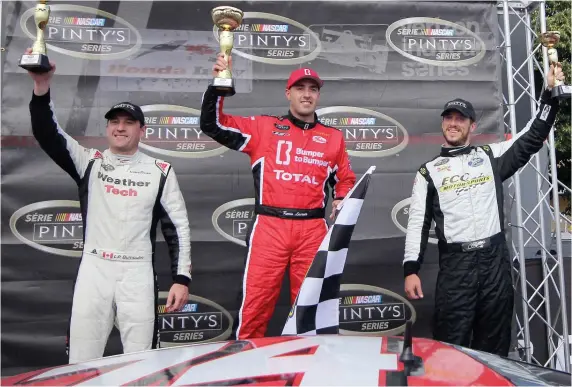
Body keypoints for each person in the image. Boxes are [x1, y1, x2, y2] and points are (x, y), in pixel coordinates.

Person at [25, 48, 192, 363]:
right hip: (95, 268)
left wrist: (181, 279)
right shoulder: (89, 162)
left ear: (142, 130)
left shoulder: (161, 171)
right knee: (81, 360)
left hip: (137, 271)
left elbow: (178, 228)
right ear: (106, 128)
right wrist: (41, 88)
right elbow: (48, 133)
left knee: (142, 361)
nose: (120, 127)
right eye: (114, 121)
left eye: (129, 122)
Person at [403, 63, 565, 356]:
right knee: (452, 349)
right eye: (449, 118)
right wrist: (411, 269)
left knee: (494, 348)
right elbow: (417, 223)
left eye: (460, 119)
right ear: (443, 124)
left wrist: (549, 96)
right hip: (456, 268)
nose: (454, 123)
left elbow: (530, 137)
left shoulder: (490, 157)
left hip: (494, 263)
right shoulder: (428, 172)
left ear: (472, 126)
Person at [200, 54, 356, 339]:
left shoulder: (333, 137)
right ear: (288, 93)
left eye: (312, 89)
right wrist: (218, 86)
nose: (306, 94)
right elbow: (213, 124)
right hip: (270, 226)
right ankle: (246, 376)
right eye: (300, 88)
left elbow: (345, 178)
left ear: (318, 95)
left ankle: (311, 375)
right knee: (254, 309)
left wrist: (341, 197)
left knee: (310, 312)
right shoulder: (264, 128)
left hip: (312, 229)